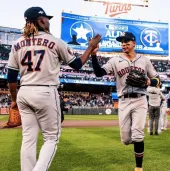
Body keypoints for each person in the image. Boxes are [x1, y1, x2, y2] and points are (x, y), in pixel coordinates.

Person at [6, 6, 101, 171]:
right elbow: (77, 64)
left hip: (24, 92)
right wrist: (90, 47)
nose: (48, 21)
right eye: (46, 18)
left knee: (28, 138)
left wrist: (14, 100)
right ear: (41, 20)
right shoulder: (55, 41)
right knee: (51, 138)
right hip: (45, 91)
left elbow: (11, 77)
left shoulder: (17, 43)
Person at [91, 32, 160, 171]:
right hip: (123, 100)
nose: (123, 44)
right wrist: (93, 55)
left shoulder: (144, 60)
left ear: (134, 43)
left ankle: (138, 168)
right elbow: (99, 73)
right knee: (126, 139)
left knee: (138, 133)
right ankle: (133, 142)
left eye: (126, 41)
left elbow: (158, 81)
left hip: (140, 99)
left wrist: (148, 81)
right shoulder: (115, 60)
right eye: (122, 42)